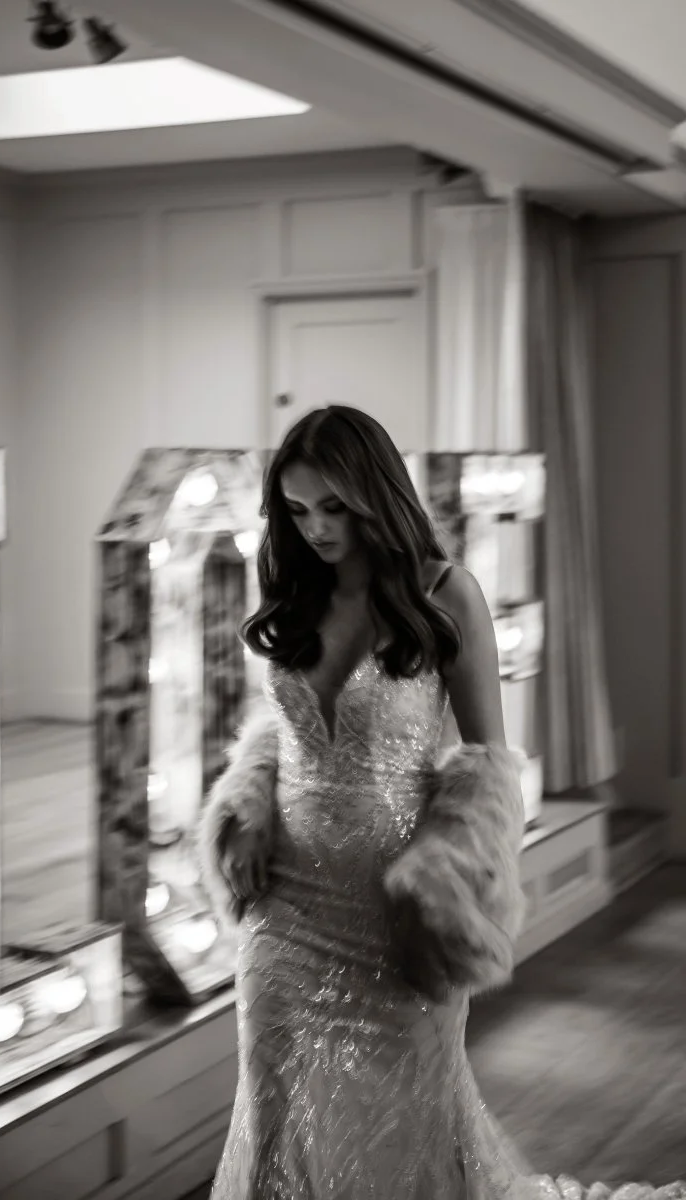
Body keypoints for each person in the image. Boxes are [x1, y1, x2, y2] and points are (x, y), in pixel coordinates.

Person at [198, 406, 685, 1199]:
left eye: (333, 507)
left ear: (374, 494)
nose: (316, 528)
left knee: (414, 1122)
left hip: (398, 918)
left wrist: (443, 876)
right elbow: (283, 729)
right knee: (277, 1120)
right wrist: (246, 807)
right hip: (283, 913)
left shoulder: (446, 593)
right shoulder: (295, 586)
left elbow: (490, 761)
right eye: (297, 509)